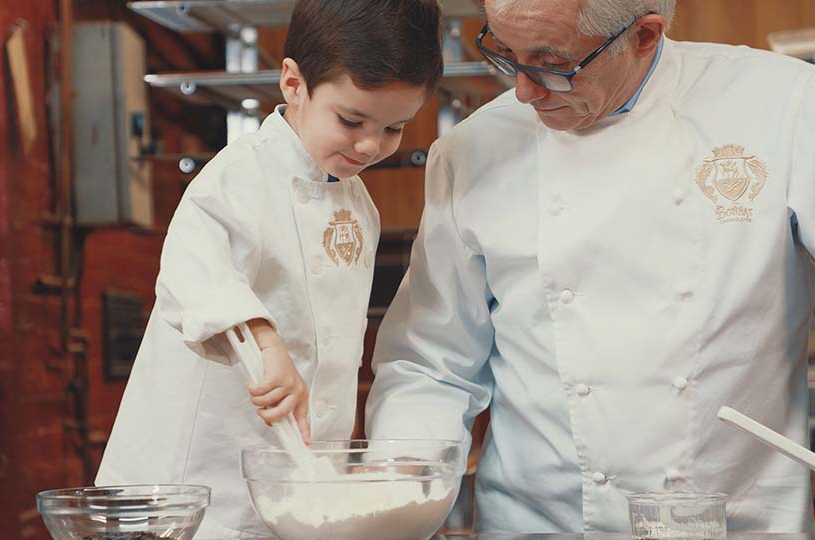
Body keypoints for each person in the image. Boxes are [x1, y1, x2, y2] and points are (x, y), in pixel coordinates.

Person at [365, 0, 815, 534]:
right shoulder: (472, 150)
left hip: (736, 521)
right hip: (540, 523)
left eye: (551, 62)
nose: (525, 91)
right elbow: (431, 364)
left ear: (645, 35)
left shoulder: (783, 106)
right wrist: (400, 496)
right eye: (505, 54)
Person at [95, 0, 443, 537]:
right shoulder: (234, 179)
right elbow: (195, 276)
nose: (370, 145)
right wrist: (265, 340)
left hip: (295, 479)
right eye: (350, 120)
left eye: (395, 128)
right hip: (200, 485)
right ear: (293, 83)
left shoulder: (360, 206)